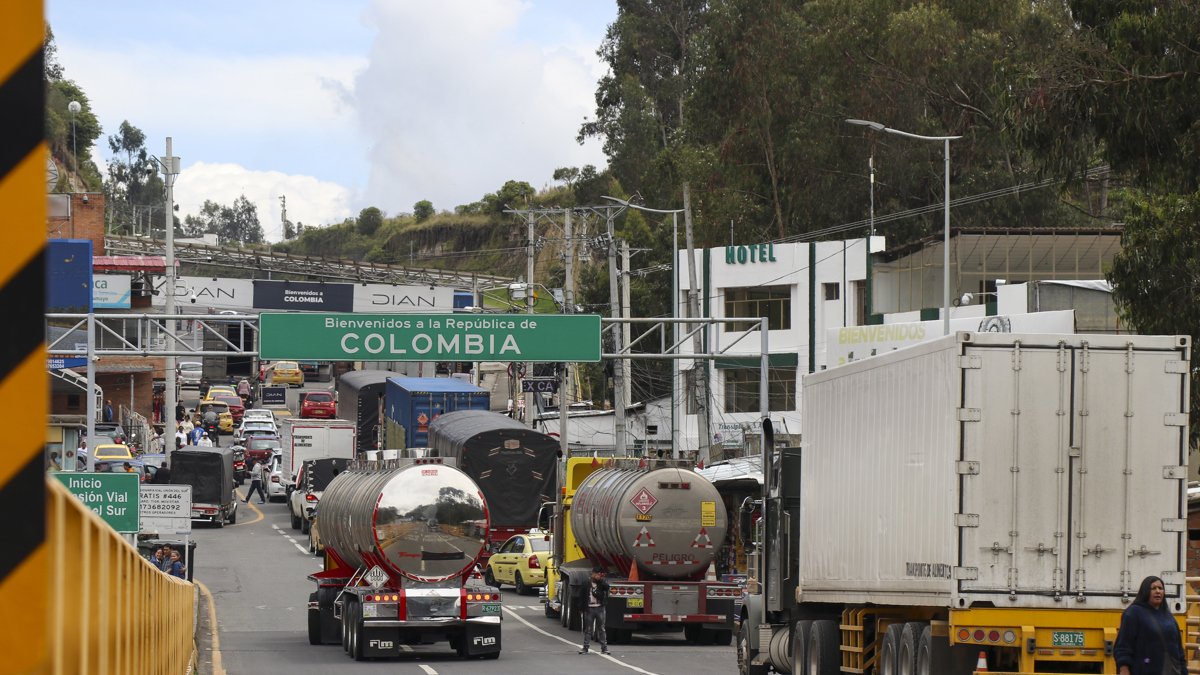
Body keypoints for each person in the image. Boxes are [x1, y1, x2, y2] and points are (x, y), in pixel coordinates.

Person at [1114, 575, 1185, 675]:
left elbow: (1179, 652)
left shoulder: (1169, 618)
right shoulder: (1133, 613)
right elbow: (1123, 646)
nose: (1158, 591)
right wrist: (1124, 669)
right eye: (1153, 588)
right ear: (1145, 591)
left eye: (1160, 588)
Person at [577, 565, 610, 655]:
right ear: (593, 574)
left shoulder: (602, 583)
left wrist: (601, 580)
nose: (598, 576)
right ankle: (585, 647)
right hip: (589, 608)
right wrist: (581, 608)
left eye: (600, 575)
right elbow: (581, 596)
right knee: (588, 629)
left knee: (601, 628)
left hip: (600, 608)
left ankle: (604, 648)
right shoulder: (586, 583)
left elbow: (607, 587)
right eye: (597, 574)